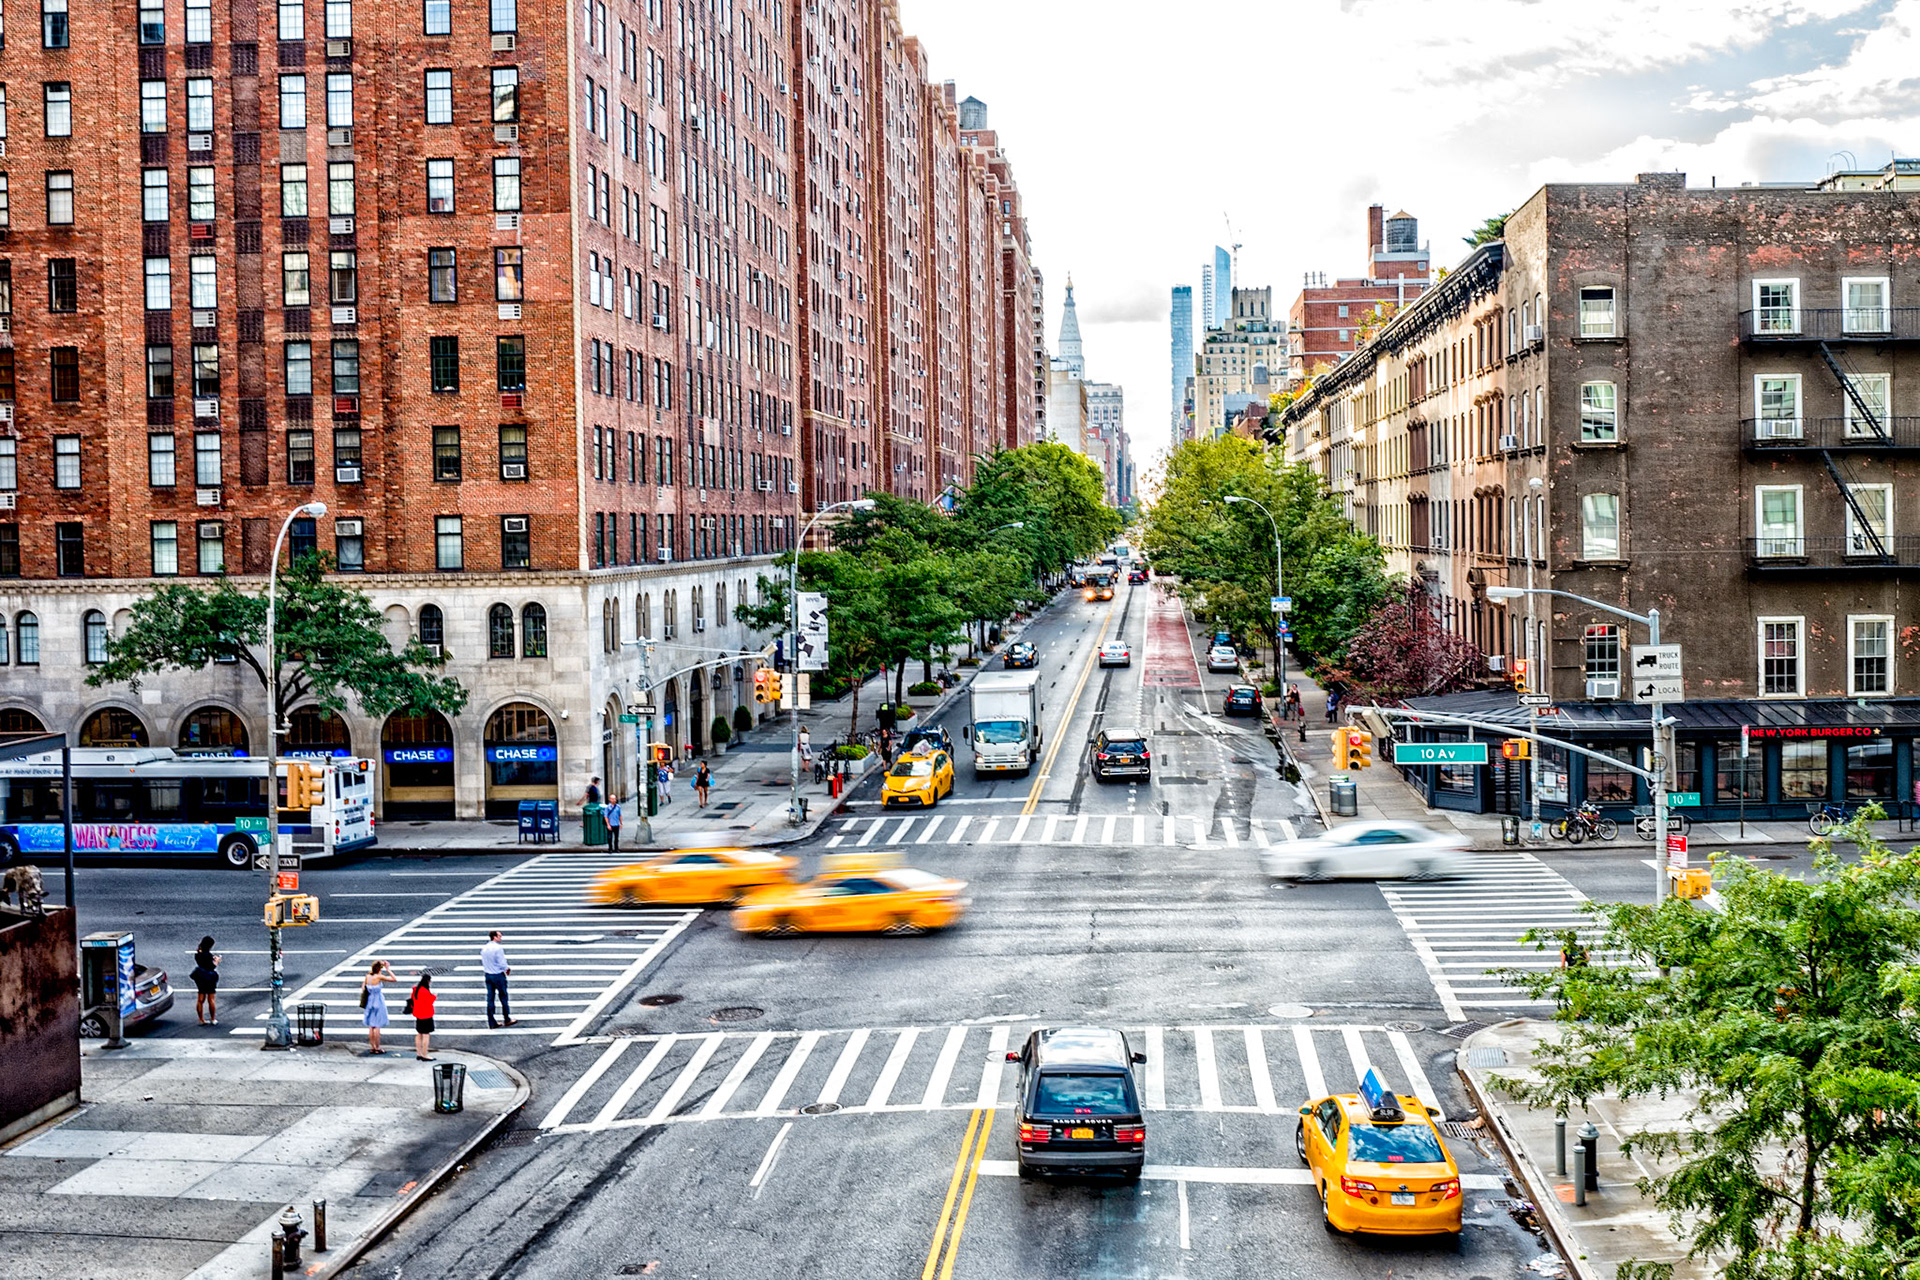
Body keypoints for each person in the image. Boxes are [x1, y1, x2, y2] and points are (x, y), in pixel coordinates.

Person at [360, 959, 398, 1055]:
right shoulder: (379, 977)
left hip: (370, 1001)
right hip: (378, 1000)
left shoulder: (368, 976)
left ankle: (372, 1047)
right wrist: (388, 969)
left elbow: (363, 987)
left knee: (371, 1026)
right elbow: (394, 979)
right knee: (377, 1026)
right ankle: (377, 1047)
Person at [480, 930, 516, 1028]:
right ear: (494, 937)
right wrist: (507, 968)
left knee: (490, 998)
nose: (501, 938)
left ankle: (491, 1022)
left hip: (488, 975)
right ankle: (507, 1019)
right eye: (499, 936)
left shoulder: (484, 948)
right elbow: (501, 962)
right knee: (503, 997)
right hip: (498, 975)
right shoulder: (498, 948)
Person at [191, 936, 221, 1026]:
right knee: (211, 999)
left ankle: (201, 1019)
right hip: (209, 977)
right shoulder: (208, 955)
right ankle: (212, 1019)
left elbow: (203, 963)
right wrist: (217, 961)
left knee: (200, 998)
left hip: (200, 976)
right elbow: (211, 967)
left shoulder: (198, 953)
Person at [407, 973, 437, 1061]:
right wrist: (434, 996)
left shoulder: (416, 989)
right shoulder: (425, 991)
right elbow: (429, 1001)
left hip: (418, 1014)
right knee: (426, 1035)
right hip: (426, 1014)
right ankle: (425, 1054)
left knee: (419, 1033)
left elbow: (412, 999)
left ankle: (419, 1053)